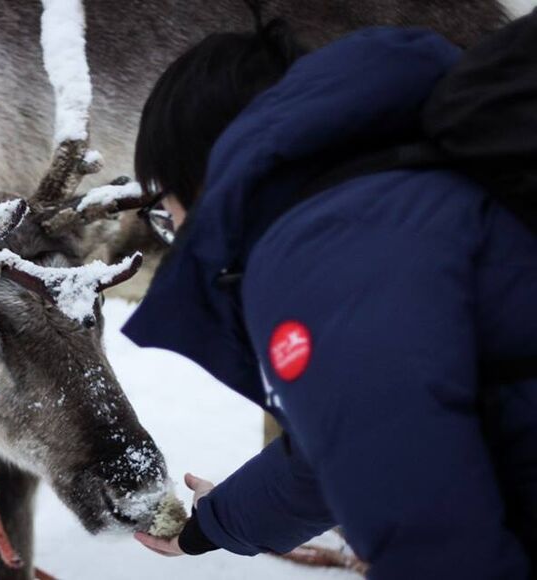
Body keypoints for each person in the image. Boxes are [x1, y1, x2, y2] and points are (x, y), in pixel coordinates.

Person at [124, 8, 537, 579]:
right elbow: (355, 440)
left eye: (163, 204)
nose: (171, 224)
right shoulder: (389, 198)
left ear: (198, 173)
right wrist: (213, 524)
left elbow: (423, 520)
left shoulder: (317, 246)